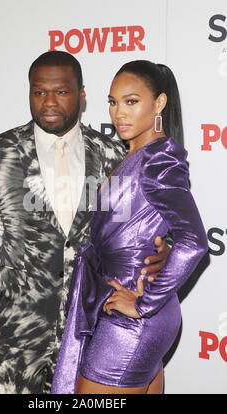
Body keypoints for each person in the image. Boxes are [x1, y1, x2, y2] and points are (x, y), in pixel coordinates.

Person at [0, 52, 170, 394]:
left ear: (81, 95)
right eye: (39, 92)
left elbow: (140, 230)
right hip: (8, 341)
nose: (49, 102)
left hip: (84, 335)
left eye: (62, 92)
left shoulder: (113, 155)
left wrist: (165, 250)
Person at [51, 60, 209, 394]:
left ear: (159, 103)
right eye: (113, 102)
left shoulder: (157, 160)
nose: (119, 113)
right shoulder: (135, 154)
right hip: (133, 311)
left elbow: (193, 240)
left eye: (131, 101)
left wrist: (142, 304)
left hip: (130, 317)